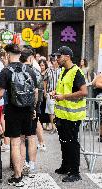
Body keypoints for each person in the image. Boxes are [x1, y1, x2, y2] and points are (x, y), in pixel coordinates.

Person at [0, 44, 37, 187]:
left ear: (7, 55)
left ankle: (17, 176)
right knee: (24, 140)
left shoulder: (6, 71)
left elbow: (0, 93)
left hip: (13, 111)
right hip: (28, 110)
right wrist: (33, 108)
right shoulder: (30, 70)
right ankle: (22, 169)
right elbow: (35, 92)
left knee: (15, 142)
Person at [52, 46, 87, 182]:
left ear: (67, 56)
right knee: (64, 142)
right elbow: (63, 89)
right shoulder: (63, 71)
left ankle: (75, 172)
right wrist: (56, 93)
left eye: (59, 56)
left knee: (72, 143)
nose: (57, 59)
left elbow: (84, 92)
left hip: (72, 116)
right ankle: (65, 166)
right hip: (62, 114)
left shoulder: (76, 72)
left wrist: (64, 96)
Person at [19, 48, 40, 175]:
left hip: (18, 108)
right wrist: (34, 108)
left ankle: (22, 164)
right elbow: (37, 91)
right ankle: (31, 164)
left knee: (20, 138)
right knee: (31, 136)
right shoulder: (35, 71)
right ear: (30, 58)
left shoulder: (16, 71)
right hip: (31, 109)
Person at [44, 56, 61, 133]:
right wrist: (45, 92)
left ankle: (58, 127)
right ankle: (53, 127)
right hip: (50, 93)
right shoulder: (48, 70)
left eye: (56, 61)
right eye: (53, 61)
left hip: (59, 93)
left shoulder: (61, 70)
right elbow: (45, 81)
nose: (55, 62)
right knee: (51, 111)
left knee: (58, 111)